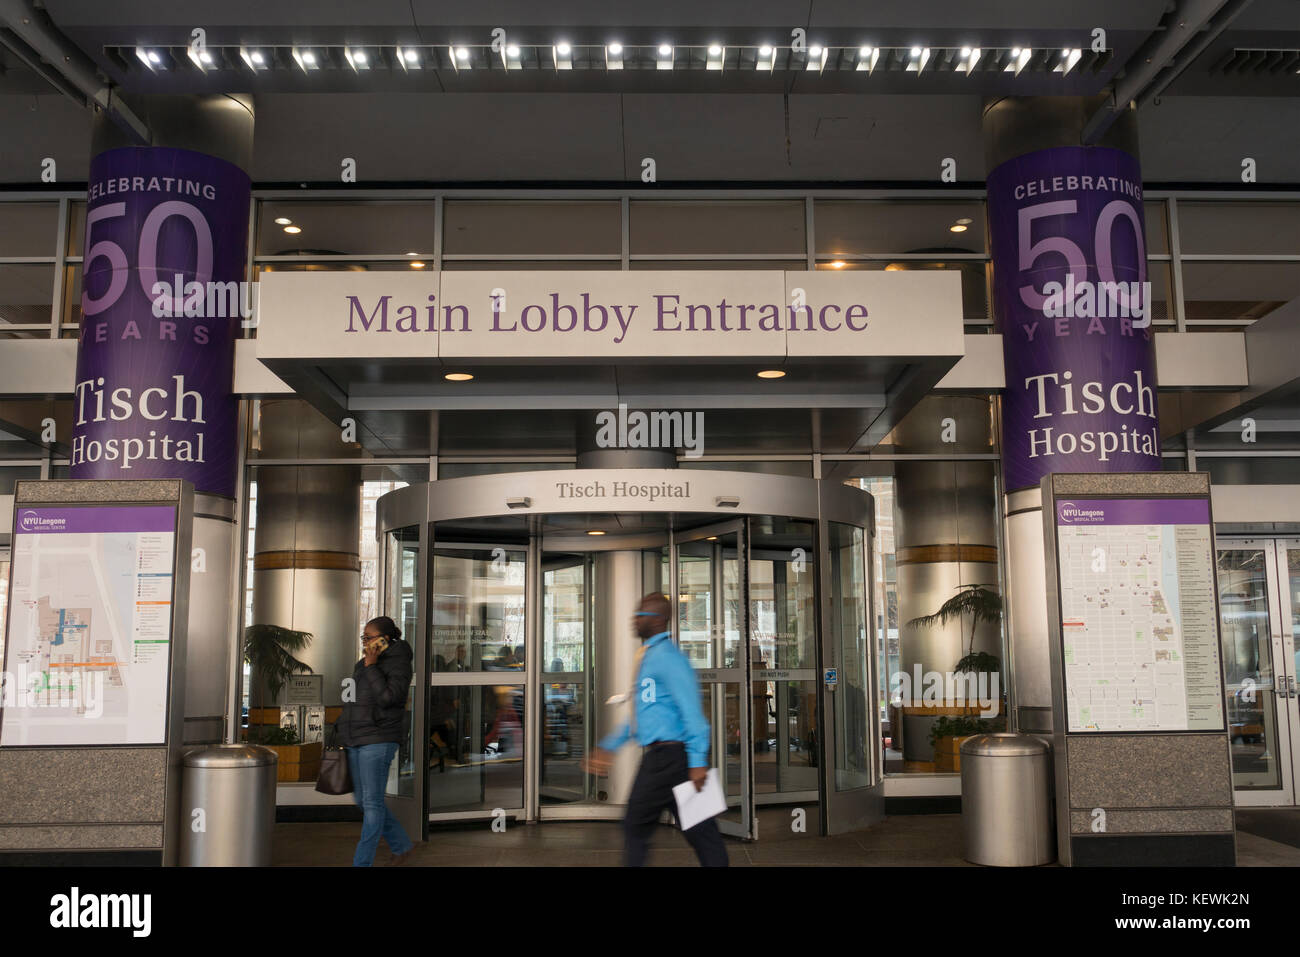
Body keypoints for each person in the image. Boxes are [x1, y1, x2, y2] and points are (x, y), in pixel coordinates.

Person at [583, 593, 728, 867]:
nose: (634, 619)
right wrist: (609, 747)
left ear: (659, 620)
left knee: (635, 825)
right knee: (701, 832)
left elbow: (693, 715)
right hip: (669, 758)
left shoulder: (670, 659)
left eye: (641, 614)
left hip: (668, 759)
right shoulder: (649, 656)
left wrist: (697, 762)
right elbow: (642, 716)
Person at [337, 615, 416, 866]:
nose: (365, 642)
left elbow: (389, 697)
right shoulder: (362, 664)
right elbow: (353, 700)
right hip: (356, 738)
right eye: (364, 637)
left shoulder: (399, 661)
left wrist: (372, 667)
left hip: (380, 739)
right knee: (363, 800)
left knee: (372, 804)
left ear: (386, 639)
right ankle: (402, 845)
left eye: (369, 637)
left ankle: (362, 862)